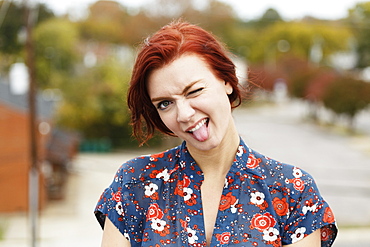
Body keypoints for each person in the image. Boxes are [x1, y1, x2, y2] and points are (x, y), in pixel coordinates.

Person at [94, 20, 337, 247]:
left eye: (194, 91)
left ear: (226, 81)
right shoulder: (135, 183)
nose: (185, 114)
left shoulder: (292, 190)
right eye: (165, 103)